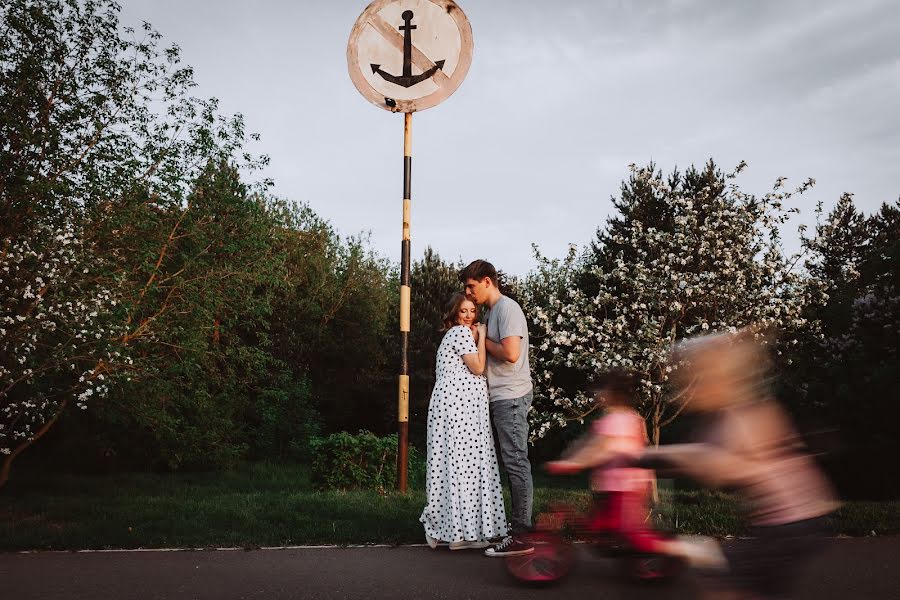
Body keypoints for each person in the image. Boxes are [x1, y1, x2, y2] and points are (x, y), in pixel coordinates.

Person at [640, 329, 840, 599]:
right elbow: (707, 463)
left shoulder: (738, 420)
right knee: (753, 585)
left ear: (720, 381)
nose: (685, 391)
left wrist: (651, 457)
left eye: (693, 382)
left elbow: (718, 469)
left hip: (788, 525)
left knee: (723, 581)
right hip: (803, 520)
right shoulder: (754, 410)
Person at [545, 371, 724, 568]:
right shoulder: (626, 417)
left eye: (600, 390)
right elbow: (588, 444)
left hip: (625, 488)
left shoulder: (618, 420)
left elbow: (599, 449)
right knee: (597, 525)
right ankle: (611, 546)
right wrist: (570, 457)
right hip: (616, 486)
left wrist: (573, 463)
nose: (596, 394)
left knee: (633, 534)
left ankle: (691, 549)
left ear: (612, 393)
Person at [420, 293, 508, 550]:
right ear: (454, 314)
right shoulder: (460, 334)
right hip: (458, 410)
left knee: (460, 467)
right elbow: (478, 367)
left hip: (460, 408)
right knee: (463, 466)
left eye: (472, 311)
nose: (470, 316)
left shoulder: (458, 335)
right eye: (463, 312)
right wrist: (481, 338)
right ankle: (452, 530)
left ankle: (460, 533)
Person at [459, 260, 535, 557]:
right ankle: (516, 531)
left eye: (471, 286)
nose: (468, 292)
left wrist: (481, 338)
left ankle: (522, 536)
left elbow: (511, 354)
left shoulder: (506, 309)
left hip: (512, 397)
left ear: (487, 281)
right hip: (501, 396)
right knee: (511, 463)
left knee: (516, 463)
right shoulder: (493, 313)